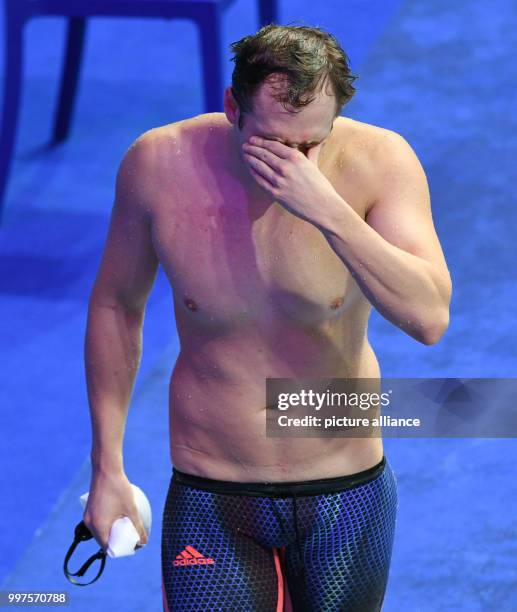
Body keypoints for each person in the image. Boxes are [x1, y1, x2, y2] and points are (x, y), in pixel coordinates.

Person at [82, 24, 452, 612]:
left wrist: (330, 212)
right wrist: (109, 468)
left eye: (311, 146)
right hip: (212, 487)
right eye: (275, 144)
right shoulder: (157, 163)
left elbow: (429, 318)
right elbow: (114, 307)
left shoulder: (380, 162)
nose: (293, 164)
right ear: (233, 108)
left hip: (343, 485)